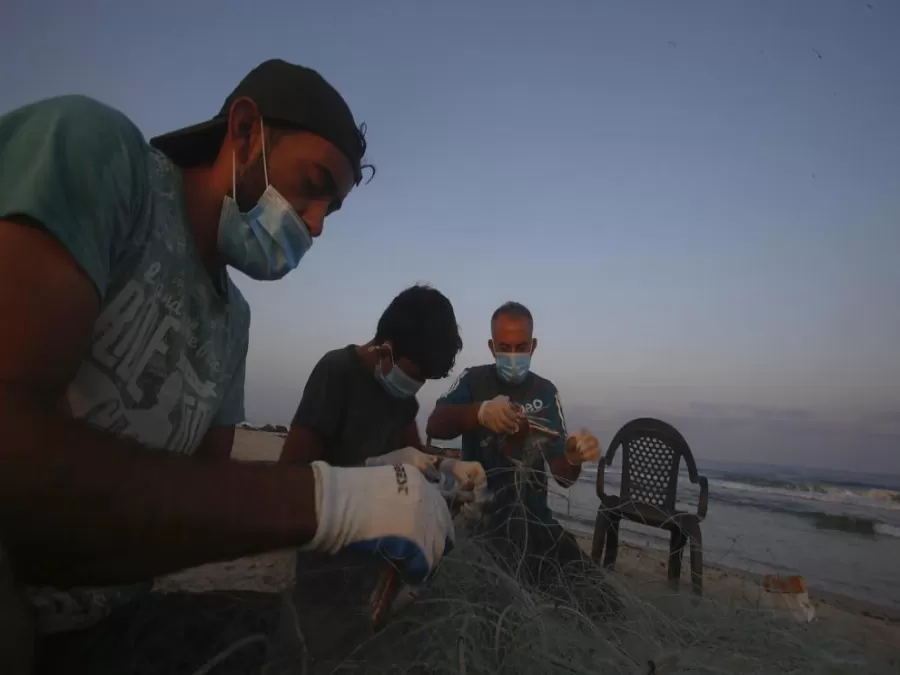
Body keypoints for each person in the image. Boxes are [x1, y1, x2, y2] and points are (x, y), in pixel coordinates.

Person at [0, 59, 453, 673]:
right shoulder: (101, 159)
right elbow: (17, 469)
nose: (316, 224)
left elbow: (197, 502)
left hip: (110, 618)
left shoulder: (231, 323)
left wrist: (384, 489)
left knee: (280, 641)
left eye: (331, 211)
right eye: (313, 184)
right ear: (244, 133)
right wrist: (331, 499)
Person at [426, 301, 605, 591]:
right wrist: (479, 413)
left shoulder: (545, 392)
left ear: (533, 346)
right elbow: (434, 425)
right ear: (491, 345)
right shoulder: (474, 380)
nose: (512, 355)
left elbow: (563, 476)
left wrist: (574, 456)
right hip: (482, 523)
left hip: (535, 523)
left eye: (520, 347)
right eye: (504, 347)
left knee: (596, 593)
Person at [280, 283, 485, 488]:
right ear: (386, 349)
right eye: (414, 375)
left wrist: (446, 468)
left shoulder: (402, 396)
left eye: (424, 379)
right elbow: (291, 474)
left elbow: (415, 456)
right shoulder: (336, 372)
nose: (415, 386)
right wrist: (373, 467)